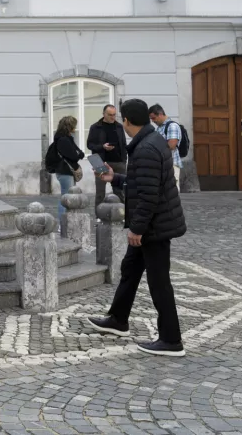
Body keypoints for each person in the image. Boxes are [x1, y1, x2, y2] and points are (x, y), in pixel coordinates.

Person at [87, 98, 187, 357]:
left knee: (159, 282)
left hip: (154, 227)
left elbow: (148, 195)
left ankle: (171, 339)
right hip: (153, 223)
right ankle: (118, 320)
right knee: (130, 270)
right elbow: (141, 181)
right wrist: (115, 177)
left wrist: (137, 230)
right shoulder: (150, 141)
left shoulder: (145, 148)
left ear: (127, 121)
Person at [86, 104, 128, 213]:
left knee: (120, 191)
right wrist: (102, 147)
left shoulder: (119, 126)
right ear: (103, 114)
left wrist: (124, 159)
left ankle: (122, 214)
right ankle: (99, 216)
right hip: (101, 162)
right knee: (100, 192)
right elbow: (90, 145)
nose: (112, 117)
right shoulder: (95, 127)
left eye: (114, 115)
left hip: (119, 162)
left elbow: (123, 144)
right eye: (110, 115)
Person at [49, 116, 85, 225]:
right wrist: (78, 154)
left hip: (65, 171)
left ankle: (66, 222)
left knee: (67, 197)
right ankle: (62, 223)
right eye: (74, 125)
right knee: (65, 198)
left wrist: (79, 154)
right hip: (65, 171)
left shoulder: (66, 138)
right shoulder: (63, 140)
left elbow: (79, 153)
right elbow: (74, 155)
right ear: (70, 126)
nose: (75, 128)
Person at [148, 104, 182, 192]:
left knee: (172, 191)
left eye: (154, 118)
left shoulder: (172, 126)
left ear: (160, 114)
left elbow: (171, 145)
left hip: (171, 164)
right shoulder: (160, 128)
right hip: (162, 164)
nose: (152, 121)